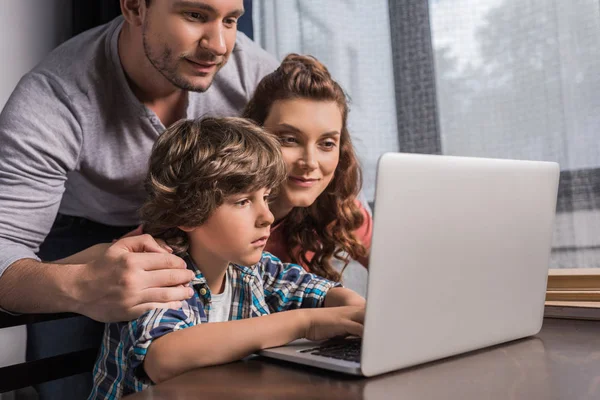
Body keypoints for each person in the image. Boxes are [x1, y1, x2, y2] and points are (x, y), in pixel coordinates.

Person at [0, 0, 277, 398]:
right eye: (195, 15)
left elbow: (317, 154)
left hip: (208, 231)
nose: (218, 45)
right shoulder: (54, 97)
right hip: (87, 238)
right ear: (134, 7)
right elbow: (3, 247)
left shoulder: (251, 70)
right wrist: (78, 286)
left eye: (231, 20)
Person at [88, 116, 366, 399]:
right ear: (189, 211)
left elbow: (320, 291)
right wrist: (306, 323)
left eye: (266, 197)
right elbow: (164, 358)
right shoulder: (158, 269)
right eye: (243, 201)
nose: (267, 216)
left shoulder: (251, 267)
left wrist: (356, 312)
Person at [243, 54, 373, 282]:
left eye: (327, 144)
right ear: (254, 135)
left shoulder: (338, 208)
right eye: (290, 139)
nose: (310, 162)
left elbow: (401, 274)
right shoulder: (216, 218)